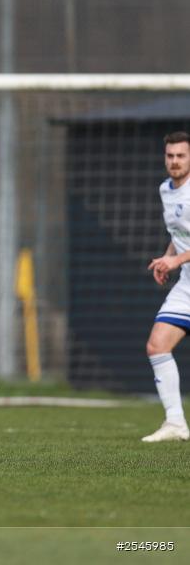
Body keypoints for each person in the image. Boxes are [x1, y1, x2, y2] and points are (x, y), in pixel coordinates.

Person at [143, 131, 190, 442]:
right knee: (157, 345)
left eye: (181, 156)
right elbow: (179, 233)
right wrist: (168, 257)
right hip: (187, 283)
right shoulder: (166, 190)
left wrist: (176, 262)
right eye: (170, 156)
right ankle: (175, 424)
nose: (174, 161)